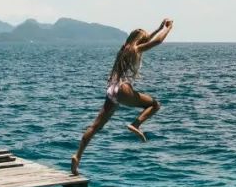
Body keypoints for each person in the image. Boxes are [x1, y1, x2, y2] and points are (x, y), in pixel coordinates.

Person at [71, 18, 174, 174]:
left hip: (111, 89)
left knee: (95, 127)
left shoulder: (123, 49)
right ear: (139, 41)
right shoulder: (135, 50)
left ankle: (77, 156)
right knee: (155, 105)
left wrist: (159, 28)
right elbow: (156, 42)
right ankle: (136, 124)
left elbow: (148, 39)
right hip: (123, 89)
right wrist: (168, 29)